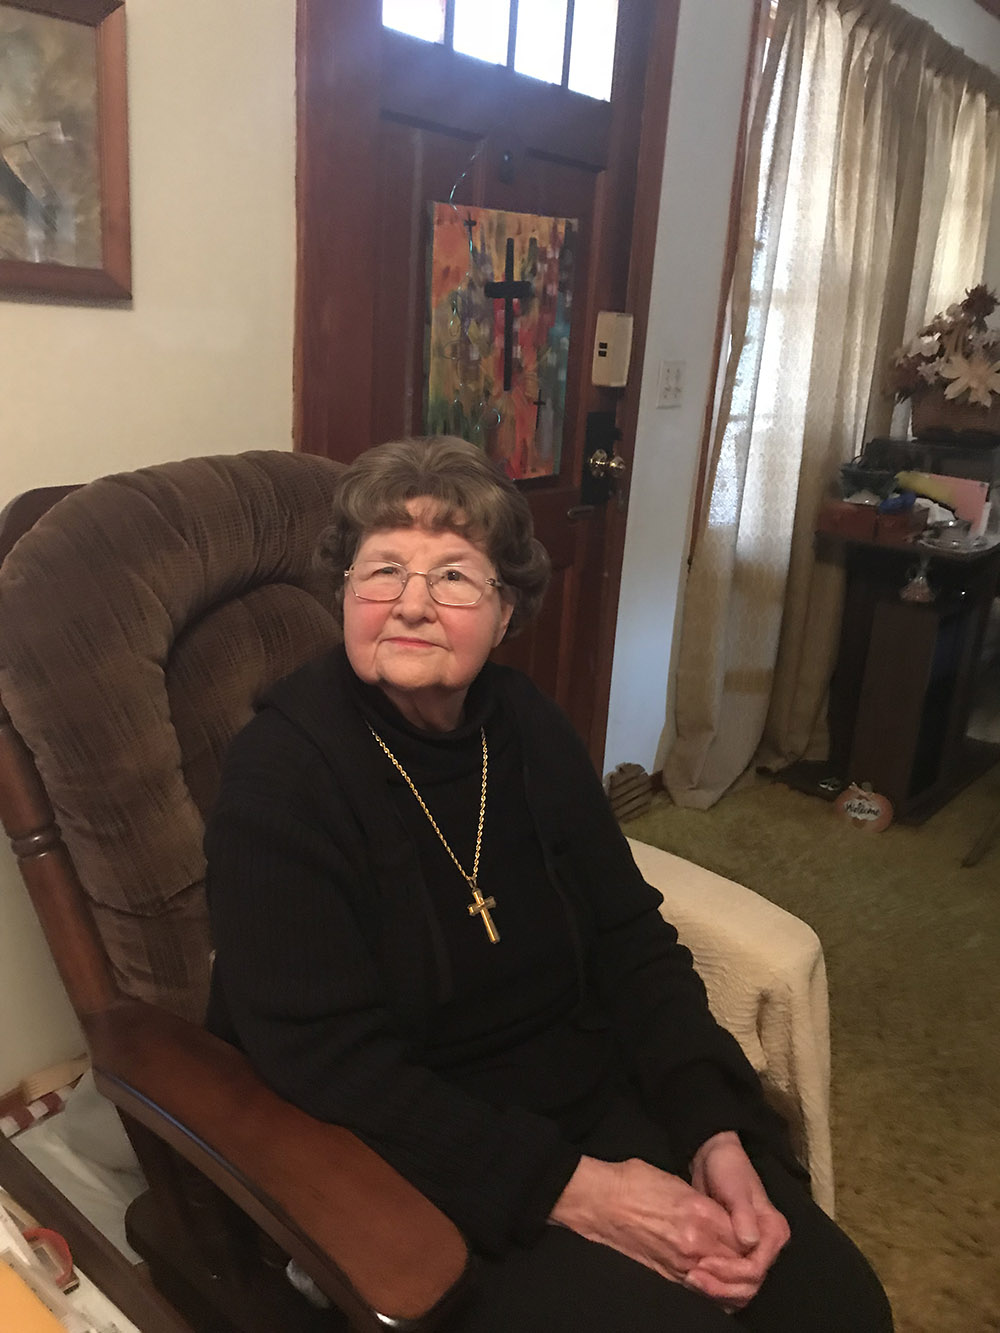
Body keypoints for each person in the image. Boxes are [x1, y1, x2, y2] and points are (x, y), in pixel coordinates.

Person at [204, 436, 892, 1331]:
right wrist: (582, 1193)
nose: (411, 603)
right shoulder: (279, 775)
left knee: (836, 1301)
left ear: (505, 612)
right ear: (343, 592)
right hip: (416, 1158)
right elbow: (327, 1065)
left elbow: (631, 940)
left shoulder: (525, 724)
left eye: (454, 576)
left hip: (589, 1098)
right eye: (382, 571)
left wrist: (713, 1128)